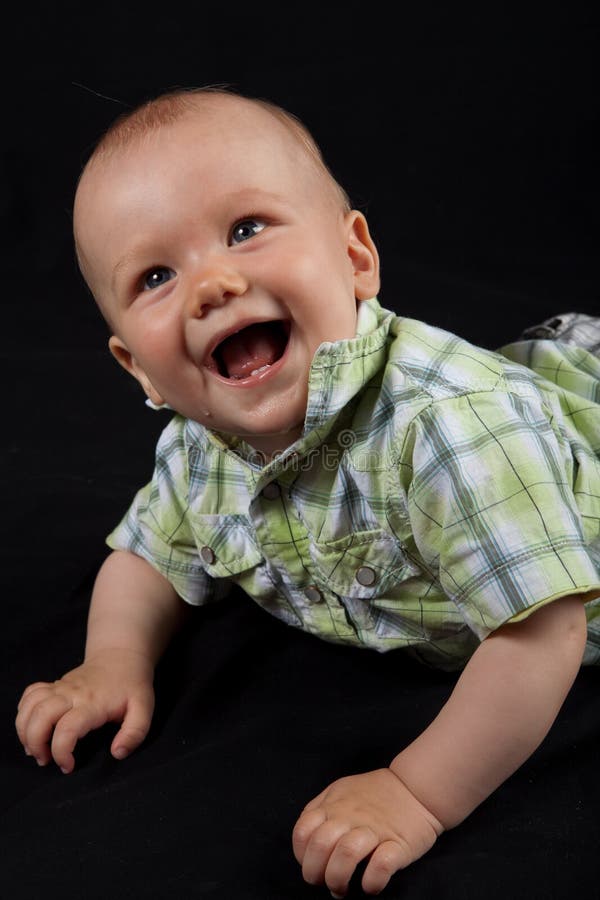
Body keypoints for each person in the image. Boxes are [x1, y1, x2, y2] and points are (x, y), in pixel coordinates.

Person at [15, 86, 600, 898]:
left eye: (246, 230)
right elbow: (145, 557)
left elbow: (544, 634)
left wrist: (416, 792)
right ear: (138, 368)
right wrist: (112, 660)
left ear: (355, 257)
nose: (211, 284)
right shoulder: (199, 451)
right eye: (155, 274)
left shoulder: (449, 429)